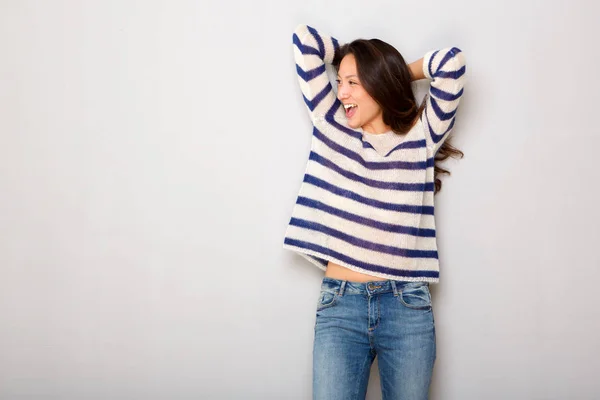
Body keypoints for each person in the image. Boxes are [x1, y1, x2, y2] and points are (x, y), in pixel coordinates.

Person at [283, 24, 467, 400]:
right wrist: (353, 58)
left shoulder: (421, 136)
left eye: (353, 82)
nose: (341, 91)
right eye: (340, 81)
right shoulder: (331, 122)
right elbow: (305, 40)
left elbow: (452, 63)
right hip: (340, 305)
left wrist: (392, 70)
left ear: (378, 82)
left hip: (407, 308)